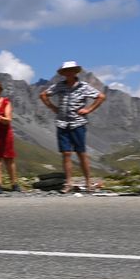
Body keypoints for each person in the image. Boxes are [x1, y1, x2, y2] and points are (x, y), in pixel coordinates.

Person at [39, 60, 105, 193]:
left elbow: (100, 96)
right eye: (66, 71)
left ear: (75, 72)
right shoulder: (59, 86)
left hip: (77, 123)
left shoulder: (83, 86)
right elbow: (43, 95)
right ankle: (68, 183)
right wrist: (53, 107)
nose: (69, 73)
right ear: (63, 73)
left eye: (71, 70)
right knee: (66, 153)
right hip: (62, 123)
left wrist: (88, 110)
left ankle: (88, 182)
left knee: (81, 153)